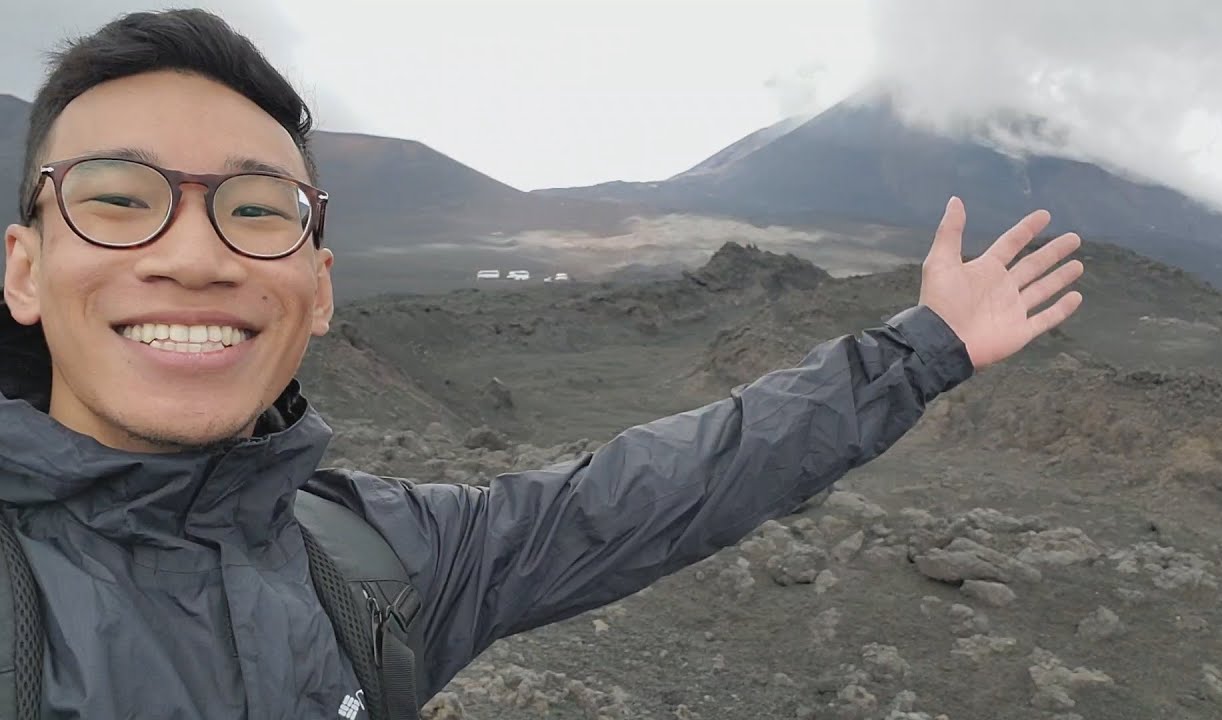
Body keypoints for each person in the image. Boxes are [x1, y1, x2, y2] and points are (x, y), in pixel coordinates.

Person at [0, 8, 1084, 719]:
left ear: (319, 289)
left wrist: (921, 350)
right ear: (25, 269)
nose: (194, 257)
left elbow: (656, 492)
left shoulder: (377, 561)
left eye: (254, 209)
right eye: (118, 199)